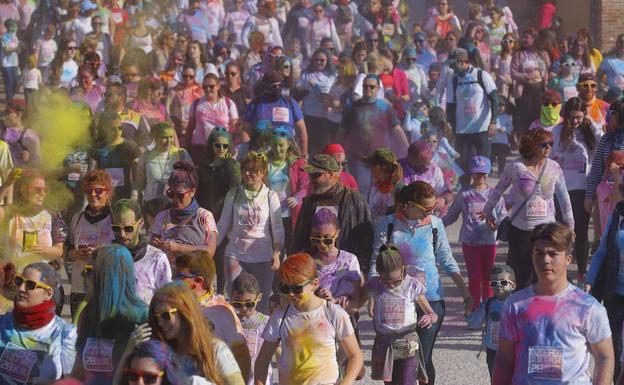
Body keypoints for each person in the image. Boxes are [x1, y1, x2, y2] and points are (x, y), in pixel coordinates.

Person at [371, 181, 471, 385]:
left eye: (434, 207)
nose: (431, 211)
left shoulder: (435, 224)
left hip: (431, 300)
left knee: (423, 358)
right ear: (407, 205)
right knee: (397, 356)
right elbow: (376, 261)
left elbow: (446, 258)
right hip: (395, 298)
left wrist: (465, 291)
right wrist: (372, 297)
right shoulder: (387, 224)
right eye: (426, 208)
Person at [493, 222, 614, 385]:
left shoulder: (588, 307)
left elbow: (605, 357)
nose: (545, 260)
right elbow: (504, 359)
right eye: (539, 253)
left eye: (553, 253)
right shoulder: (515, 305)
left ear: (568, 259)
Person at [253, 253, 363, 385]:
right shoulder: (280, 316)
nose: (291, 293)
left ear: (314, 284)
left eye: (297, 288)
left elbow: (355, 356)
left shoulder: (333, 313)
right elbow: (262, 361)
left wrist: (346, 382)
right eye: (285, 288)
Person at [484, 128, 573, 289]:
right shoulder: (517, 167)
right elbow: (498, 190)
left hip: (546, 229)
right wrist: (488, 211)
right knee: (521, 278)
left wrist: (570, 224)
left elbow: (564, 197)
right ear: (531, 146)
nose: (548, 148)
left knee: (544, 274)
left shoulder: (554, 167)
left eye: (550, 144)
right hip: (520, 231)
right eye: (543, 144)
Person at [355, 245, 438, 384]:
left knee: (407, 381)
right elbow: (355, 305)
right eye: (385, 281)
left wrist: (429, 317)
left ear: (403, 270)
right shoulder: (374, 284)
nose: (391, 285)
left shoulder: (411, 285)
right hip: (384, 345)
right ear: (378, 274)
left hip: (408, 343)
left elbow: (432, 314)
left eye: (396, 281)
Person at [217, 152, 284, 312]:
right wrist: (209, 249)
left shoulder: (270, 196)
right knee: (238, 303)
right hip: (235, 255)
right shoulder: (234, 194)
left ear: (263, 173)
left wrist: (277, 253)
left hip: (263, 258)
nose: (247, 174)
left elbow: (278, 228)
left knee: (259, 307)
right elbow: (222, 225)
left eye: (252, 170)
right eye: (244, 170)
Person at [72, 244, 149, 384]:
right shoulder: (89, 311)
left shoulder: (140, 317)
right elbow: (78, 370)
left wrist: (130, 346)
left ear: (108, 275)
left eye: (89, 270)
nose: (82, 275)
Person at [145, 281, 246, 384]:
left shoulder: (216, 350)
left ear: (185, 313)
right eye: (155, 317)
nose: (160, 323)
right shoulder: (161, 353)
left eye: (165, 315)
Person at [175, 251, 252, 382]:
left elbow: (242, 355)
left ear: (198, 281)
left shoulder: (223, 312)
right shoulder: (174, 304)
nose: (174, 279)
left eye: (180, 276)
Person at [443, 156, 507, 309]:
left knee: (488, 278)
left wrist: (496, 224)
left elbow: (503, 215)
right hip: (470, 243)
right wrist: (435, 224)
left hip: (489, 242)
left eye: (484, 173)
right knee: (474, 278)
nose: (481, 177)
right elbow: (452, 215)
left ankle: (488, 309)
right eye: (477, 173)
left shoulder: (495, 194)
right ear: (471, 174)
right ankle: (474, 310)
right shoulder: (464, 194)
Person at [293, 154, 374, 273]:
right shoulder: (309, 202)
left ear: (331, 174)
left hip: (346, 269)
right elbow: (300, 238)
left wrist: (362, 269)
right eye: (310, 175)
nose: (311, 179)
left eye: (316, 175)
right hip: (315, 269)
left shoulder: (354, 199)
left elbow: (367, 238)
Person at [551, 97, 602, 283]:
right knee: (558, 233)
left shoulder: (589, 132)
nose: (575, 121)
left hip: (581, 189)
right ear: (565, 115)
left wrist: (592, 125)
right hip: (559, 189)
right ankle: (560, 271)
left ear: (585, 116)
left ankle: (581, 272)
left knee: (580, 232)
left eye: (579, 117)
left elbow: (603, 142)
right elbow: (548, 156)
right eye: (572, 117)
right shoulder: (556, 131)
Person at [0, 263, 76, 384]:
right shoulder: (2, 323)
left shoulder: (65, 334)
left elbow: (71, 381)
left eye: (30, 285)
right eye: (19, 281)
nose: (21, 288)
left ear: (48, 294)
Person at [338, 74, 409, 197]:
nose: (368, 89)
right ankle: (362, 215)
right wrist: (336, 152)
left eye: (371, 86)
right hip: (359, 158)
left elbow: (397, 130)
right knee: (362, 192)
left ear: (378, 88)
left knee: (381, 192)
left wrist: (407, 149)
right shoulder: (352, 107)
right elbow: (342, 131)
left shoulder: (385, 107)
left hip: (381, 159)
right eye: (365, 86)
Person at [66, 170, 115, 316]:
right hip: (79, 285)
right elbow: (67, 247)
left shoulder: (114, 219)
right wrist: (73, 253)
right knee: (79, 333)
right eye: (89, 191)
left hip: (104, 285)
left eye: (99, 190)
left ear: (108, 193)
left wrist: (98, 254)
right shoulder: (77, 218)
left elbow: (122, 251)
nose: (93, 194)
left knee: (101, 334)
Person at [149, 161, 218, 263]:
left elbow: (210, 251)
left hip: (194, 274)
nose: (176, 199)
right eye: (171, 194)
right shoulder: (162, 217)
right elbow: (151, 249)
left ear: (193, 191)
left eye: (180, 195)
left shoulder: (205, 216)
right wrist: (154, 243)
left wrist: (179, 247)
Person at [445, 48, 499, 179]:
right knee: (462, 164)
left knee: (483, 163)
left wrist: (493, 122)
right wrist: (451, 127)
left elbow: (494, 99)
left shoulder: (481, 75)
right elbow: (450, 106)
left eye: (454, 63)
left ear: (463, 62)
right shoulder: (454, 80)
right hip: (462, 129)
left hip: (481, 127)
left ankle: (482, 192)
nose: (451, 66)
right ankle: (464, 192)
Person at [2, 168, 67, 272]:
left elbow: (59, 250)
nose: (42, 193)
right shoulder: (11, 212)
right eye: (37, 189)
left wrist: (44, 250)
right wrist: (8, 184)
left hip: (39, 278)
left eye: (45, 190)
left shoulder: (52, 216)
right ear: (23, 190)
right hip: (13, 277)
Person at [112, 199, 171, 304]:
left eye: (128, 228)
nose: (122, 234)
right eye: (116, 228)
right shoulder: (106, 256)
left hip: (146, 319)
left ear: (141, 223)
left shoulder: (156, 258)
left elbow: (167, 298)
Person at [465, 265, 516, 378]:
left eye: (503, 282)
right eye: (494, 283)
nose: (498, 286)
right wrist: (468, 311)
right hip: (493, 351)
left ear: (513, 286)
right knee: (496, 379)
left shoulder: (517, 305)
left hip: (513, 351)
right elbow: (474, 323)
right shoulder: (488, 304)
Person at [243, 71, 309, 157]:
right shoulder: (255, 104)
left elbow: (302, 131)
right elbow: (245, 131)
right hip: (262, 151)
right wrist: (249, 152)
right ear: (265, 87)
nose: (277, 88)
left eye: (280, 85)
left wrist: (304, 154)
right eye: (273, 86)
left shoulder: (290, 103)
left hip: (287, 151)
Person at [265, 126, 309, 248]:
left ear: (289, 144)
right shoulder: (265, 163)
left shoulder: (298, 163)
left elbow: (305, 186)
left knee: (291, 248)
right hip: (270, 213)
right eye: (274, 145)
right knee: (273, 249)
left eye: (281, 145)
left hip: (289, 214)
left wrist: (297, 198)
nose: (277, 149)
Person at [186, 73, 239, 164]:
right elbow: (190, 127)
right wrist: (186, 147)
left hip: (222, 148)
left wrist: (230, 145)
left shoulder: (228, 103)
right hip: (201, 147)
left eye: (211, 86)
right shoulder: (197, 104)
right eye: (205, 86)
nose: (208, 89)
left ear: (218, 86)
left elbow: (234, 127)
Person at [134, 122, 193, 202]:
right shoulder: (146, 157)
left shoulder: (181, 154)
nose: (169, 141)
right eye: (164, 137)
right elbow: (138, 184)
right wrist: (134, 197)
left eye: (171, 137)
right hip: (151, 205)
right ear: (156, 138)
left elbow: (191, 181)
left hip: (175, 205)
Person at [90, 110, 141, 200]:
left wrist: (135, 193)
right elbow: (92, 174)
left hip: (125, 194)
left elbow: (137, 175)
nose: (117, 131)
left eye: (120, 128)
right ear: (105, 128)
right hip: (103, 195)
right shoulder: (98, 148)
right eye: (113, 129)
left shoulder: (131, 147)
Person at [230, 273, 271, 385]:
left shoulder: (266, 322)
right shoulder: (230, 322)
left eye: (249, 304)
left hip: (260, 378)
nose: (243, 309)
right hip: (237, 376)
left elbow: (278, 351)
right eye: (237, 304)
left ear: (259, 298)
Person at [296, 48, 336, 155]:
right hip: (308, 115)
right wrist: (307, 86)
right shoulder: (306, 74)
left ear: (327, 61)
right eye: (316, 60)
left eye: (322, 60)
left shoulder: (332, 75)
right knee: (309, 147)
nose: (319, 62)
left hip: (325, 116)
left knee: (322, 149)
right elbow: (297, 89)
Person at [511, 28, 547, 135]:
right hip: (525, 90)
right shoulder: (518, 55)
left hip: (538, 89)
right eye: (523, 37)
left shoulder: (539, 54)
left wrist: (544, 81)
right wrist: (526, 76)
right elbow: (513, 73)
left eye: (527, 38)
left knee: (538, 116)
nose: (523, 40)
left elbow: (544, 70)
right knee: (526, 117)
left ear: (534, 39)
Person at [364, 147, 403, 221]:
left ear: (377, 168)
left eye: (371, 166)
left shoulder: (399, 190)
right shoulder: (376, 187)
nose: (370, 170)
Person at [1, 98, 41, 168]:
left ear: (18, 114)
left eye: (8, 112)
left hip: (21, 175)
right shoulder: (1, 131)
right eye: (4, 113)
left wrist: (29, 157)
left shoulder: (30, 135)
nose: (4, 116)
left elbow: (38, 161)